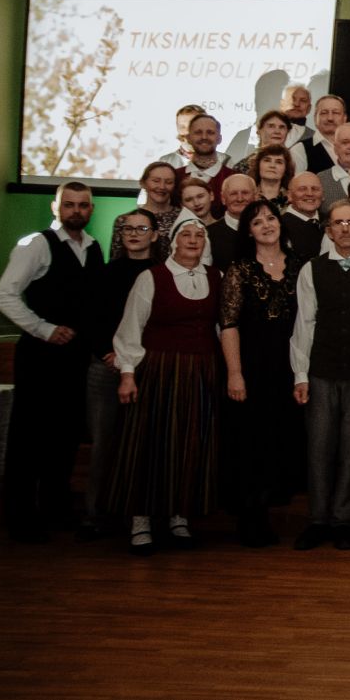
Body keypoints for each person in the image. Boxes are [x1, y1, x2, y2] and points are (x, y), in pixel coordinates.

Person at [0, 181, 104, 542]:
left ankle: (56, 509)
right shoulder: (36, 244)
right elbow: (3, 295)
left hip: (75, 358)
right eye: (69, 204)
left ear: (91, 209)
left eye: (83, 205)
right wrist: (43, 328)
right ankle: (21, 517)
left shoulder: (93, 247)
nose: (76, 211)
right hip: (40, 356)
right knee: (30, 436)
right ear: (56, 208)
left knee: (65, 434)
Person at [109, 215, 220, 554]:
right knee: (150, 443)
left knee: (190, 443)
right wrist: (128, 373)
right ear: (173, 241)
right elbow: (131, 327)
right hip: (159, 370)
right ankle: (140, 520)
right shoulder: (151, 278)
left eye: (198, 235)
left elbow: (222, 329)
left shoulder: (216, 277)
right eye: (186, 234)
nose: (193, 240)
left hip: (200, 370)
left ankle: (178, 516)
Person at [288, 200, 350, 551]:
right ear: (328, 229)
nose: (344, 228)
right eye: (338, 223)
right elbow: (305, 322)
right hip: (322, 370)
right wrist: (301, 374)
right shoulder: (312, 268)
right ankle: (317, 520)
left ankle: (343, 520)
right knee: (319, 447)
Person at [219, 199, 306, 547]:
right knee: (250, 442)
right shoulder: (239, 269)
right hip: (252, 368)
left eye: (271, 218)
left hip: (289, 367)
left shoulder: (300, 266)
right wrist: (235, 373)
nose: (267, 225)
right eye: (257, 222)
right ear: (248, 232)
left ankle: (269, 508)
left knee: (279, 439)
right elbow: (228, 325)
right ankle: (250, 517)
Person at [79, 209, 161, 540]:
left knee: (144, 446)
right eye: (128, 229)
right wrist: (109, 353)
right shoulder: (105, 272)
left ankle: (140, 516)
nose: (134, 234)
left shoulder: (161, 273)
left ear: (154, 235)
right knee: (104, 445)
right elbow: (90, 318)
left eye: (142, 228)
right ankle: (95, 515)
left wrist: (134, 358)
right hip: (106, 367)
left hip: (145, 367)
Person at [114, 161, 180, 251]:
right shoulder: (124, 220)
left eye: (169, 182)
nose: (162, 187)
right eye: (156, 181)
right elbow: (117, 256)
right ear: (143, 183)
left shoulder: (183, 218)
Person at [207, 174, 257, 266]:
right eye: (233, 194)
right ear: (223, 198)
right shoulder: (208, 235)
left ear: (255, 196)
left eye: (245, 193)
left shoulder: (268, 230)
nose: (240, 199)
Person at [293, 95, 346, 176]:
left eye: (336, 113)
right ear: (315, 118)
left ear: (345, 118)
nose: (330, 118)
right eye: (324, 113)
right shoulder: (299, 150)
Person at [281, 171, 326, 259]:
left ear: (323, 195)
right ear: (289, 195)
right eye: (302, 189)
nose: (310, 193)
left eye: (315, 189)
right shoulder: (279, 226)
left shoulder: (331, 221)